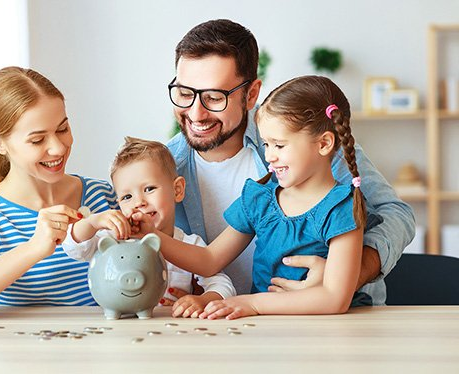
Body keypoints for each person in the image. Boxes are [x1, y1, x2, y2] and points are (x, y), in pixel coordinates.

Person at [166, 19, 415, 305]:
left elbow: (395, 214)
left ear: (252, 94)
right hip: (225, 322)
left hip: (334, 326)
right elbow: (204, 259)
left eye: (214, 97)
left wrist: (347, 275)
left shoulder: (306, 139)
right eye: (184, 94)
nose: (196, 114)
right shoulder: (163, 167)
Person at [137, 75, 373, 318]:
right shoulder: (261, 199)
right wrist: (151, 234)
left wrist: (254, 304)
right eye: (266, 144)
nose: (269, 156)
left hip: (327, 332)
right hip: (266, 331)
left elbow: (335, 299)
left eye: (279, 145)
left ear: (323, 144)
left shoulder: (342, 207)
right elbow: (209, 260)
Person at [0, 66, 120, 321]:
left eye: (62, 129)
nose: (58, 148)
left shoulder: (102, 195)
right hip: (23, 357)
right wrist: (35, 247)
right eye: (37, 140)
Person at [63, 137, 236, 318]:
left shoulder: (189, 244)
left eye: (149, 189)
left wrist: (201, 300)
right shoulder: (114, 239)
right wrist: (93, 222)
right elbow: (73, 247)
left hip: (170, 330)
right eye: (127, 197)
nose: (139, 202)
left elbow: (222, 284)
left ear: (177, 190)